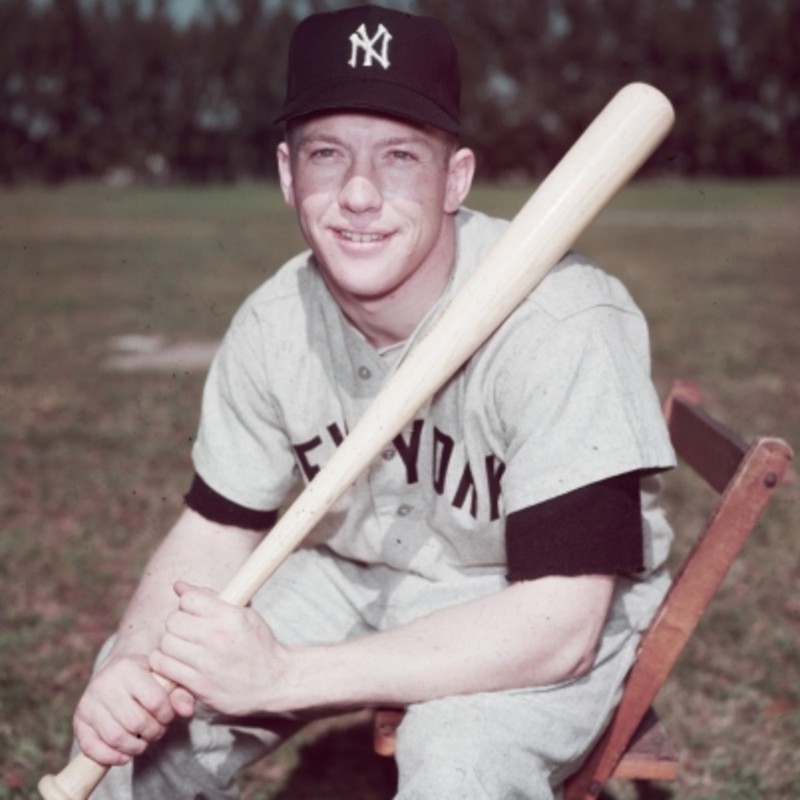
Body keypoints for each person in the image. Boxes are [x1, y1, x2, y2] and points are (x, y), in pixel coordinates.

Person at [72, 6, 675, 798]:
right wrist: (132, 662)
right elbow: (218, 527)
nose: (359, 194)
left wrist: (282, 675)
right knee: (143, 707)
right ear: (289, 174)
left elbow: (558, 625)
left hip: (529, 600)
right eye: (329, 154)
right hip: (359, 571)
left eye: (398, 156)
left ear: (454, 179)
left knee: (459, 756)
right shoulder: (275, 320)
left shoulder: (565, 322)